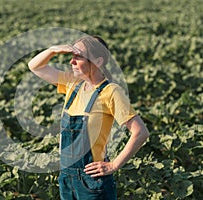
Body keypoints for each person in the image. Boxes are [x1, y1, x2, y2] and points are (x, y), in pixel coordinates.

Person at [28, 35, 149, 200]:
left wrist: (114, 165)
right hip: (66, 178)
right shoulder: (72, 84)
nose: (72, 62)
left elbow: (140, 132)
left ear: (98, 62)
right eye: (72, 56)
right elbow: (34, 66)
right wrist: (53, 50)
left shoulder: (111, 91)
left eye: (78, 57)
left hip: (92, 182)